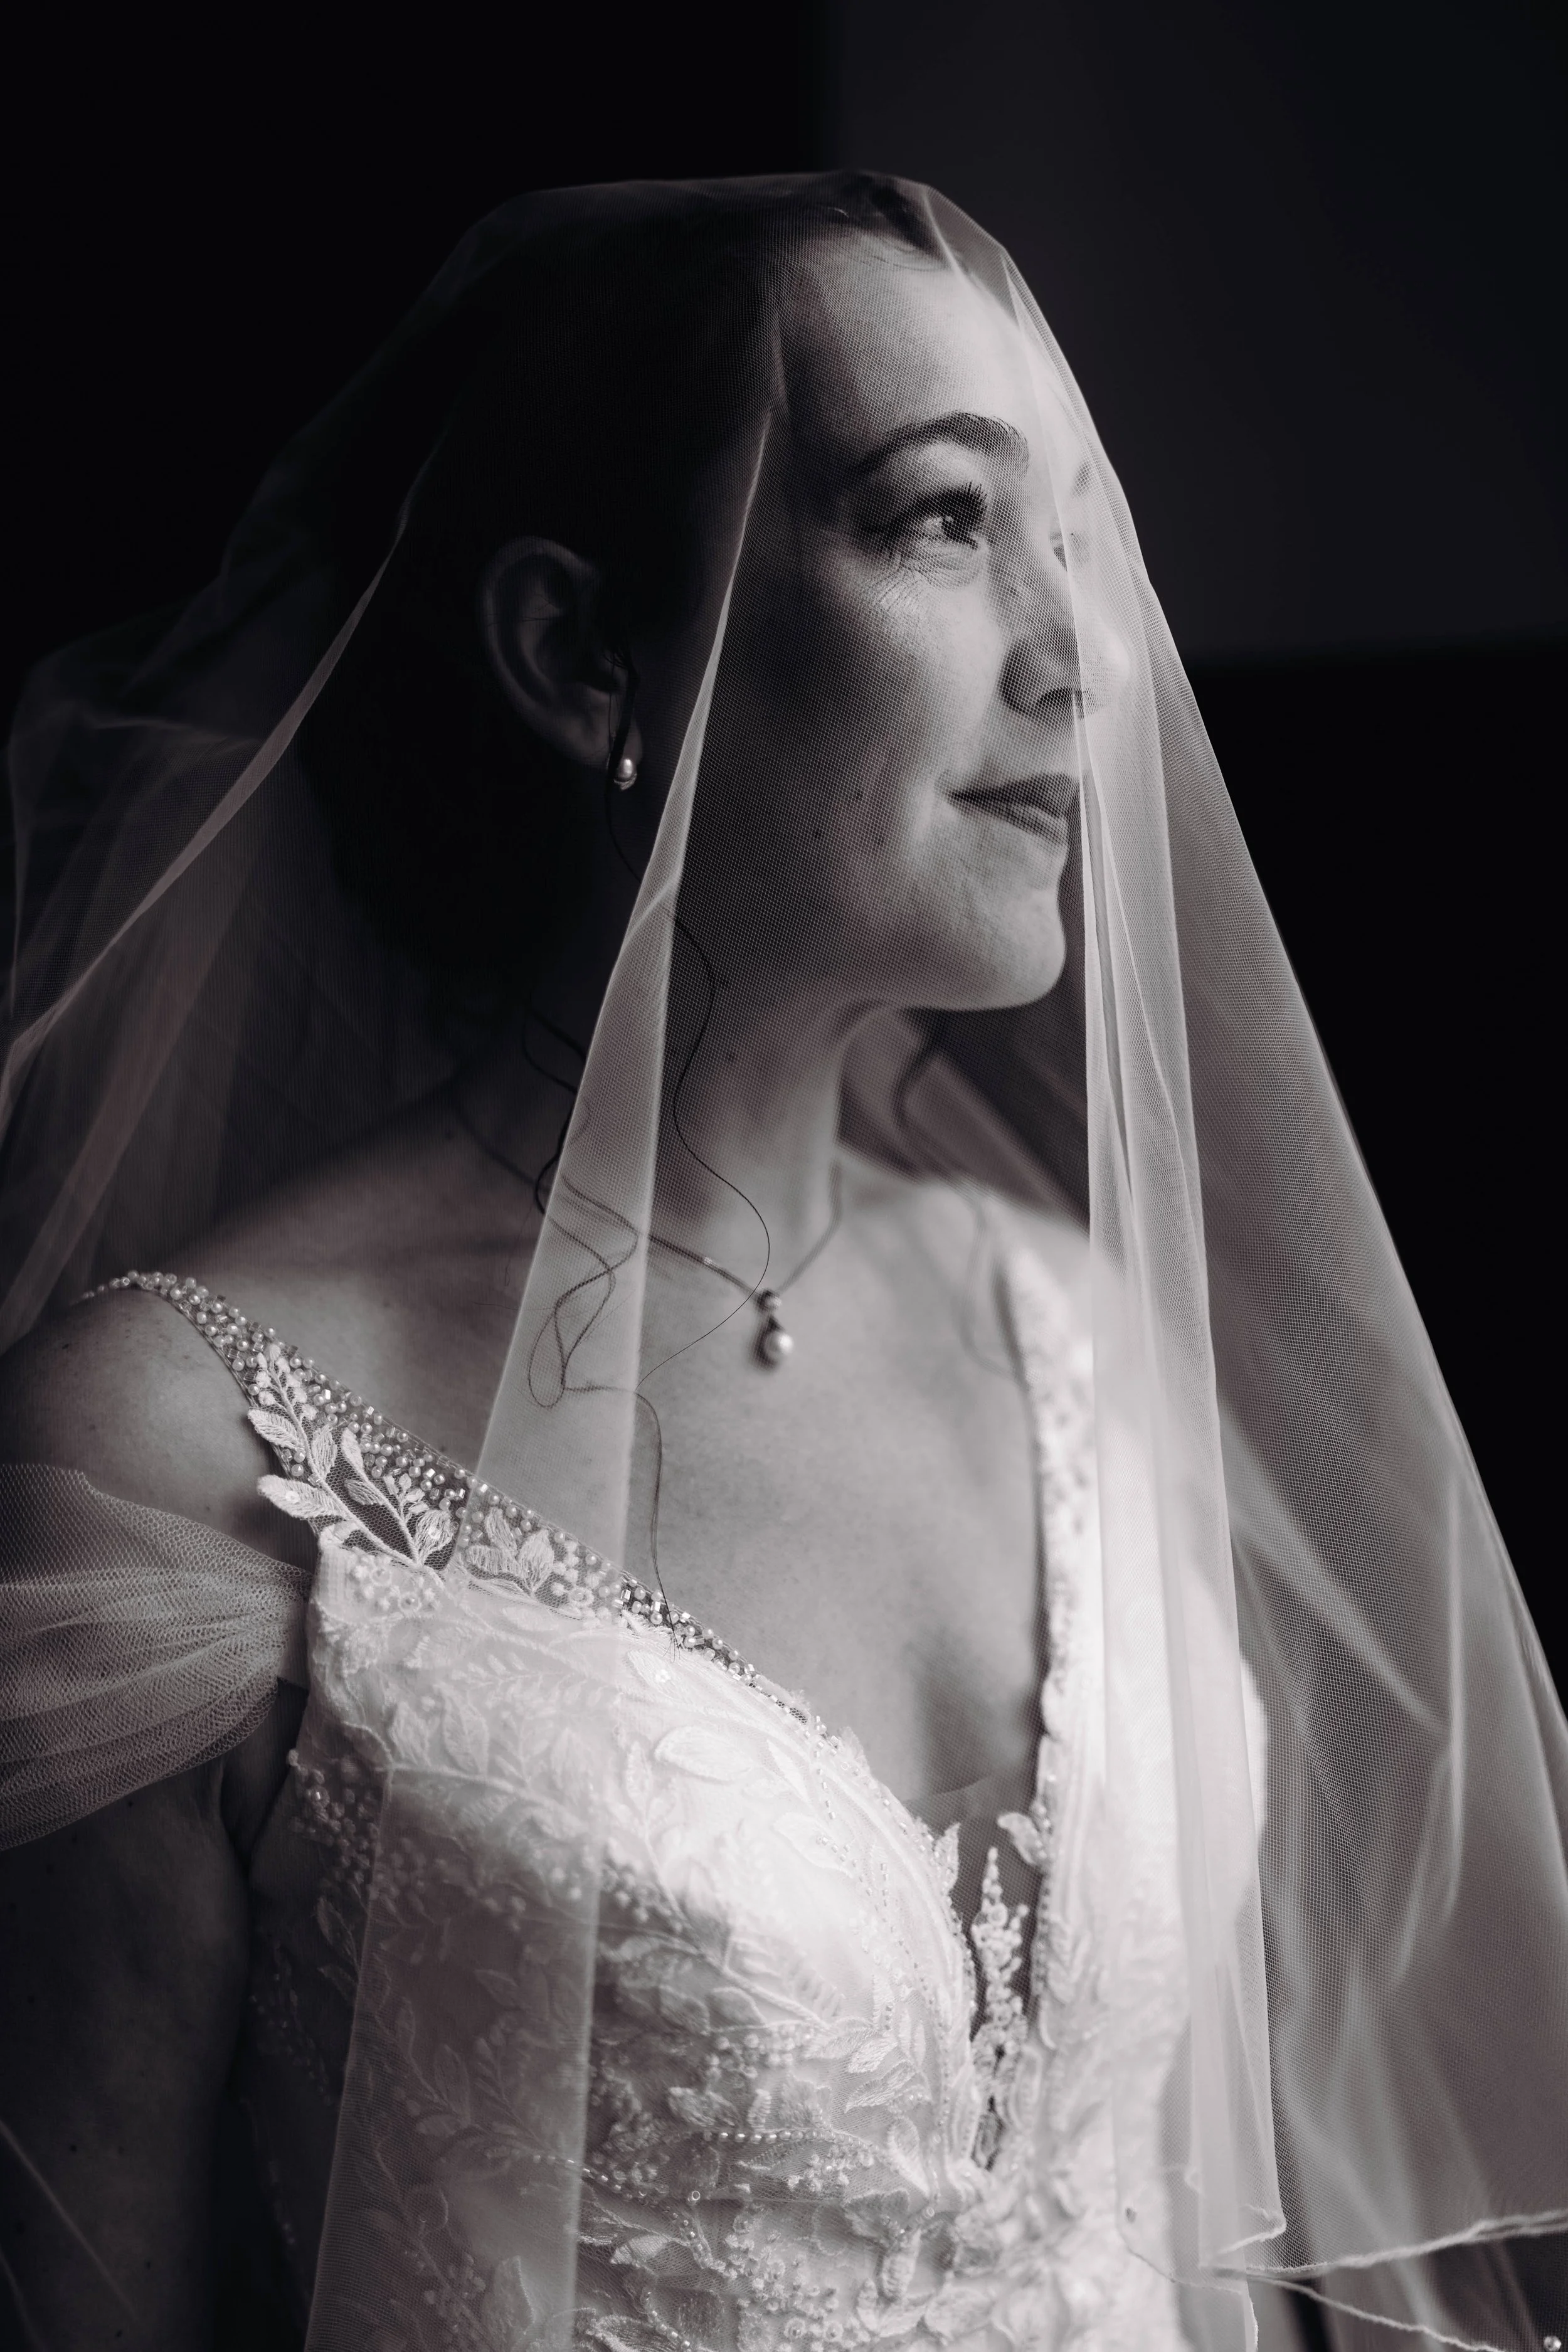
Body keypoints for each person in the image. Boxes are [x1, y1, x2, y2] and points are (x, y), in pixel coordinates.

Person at [0, 176, 1562, 2352]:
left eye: (1083, 539)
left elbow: (1211, 2235)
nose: (1074, 648)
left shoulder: (1082, 1339)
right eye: (941, 519)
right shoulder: (176, 1451)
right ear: (577, 651)